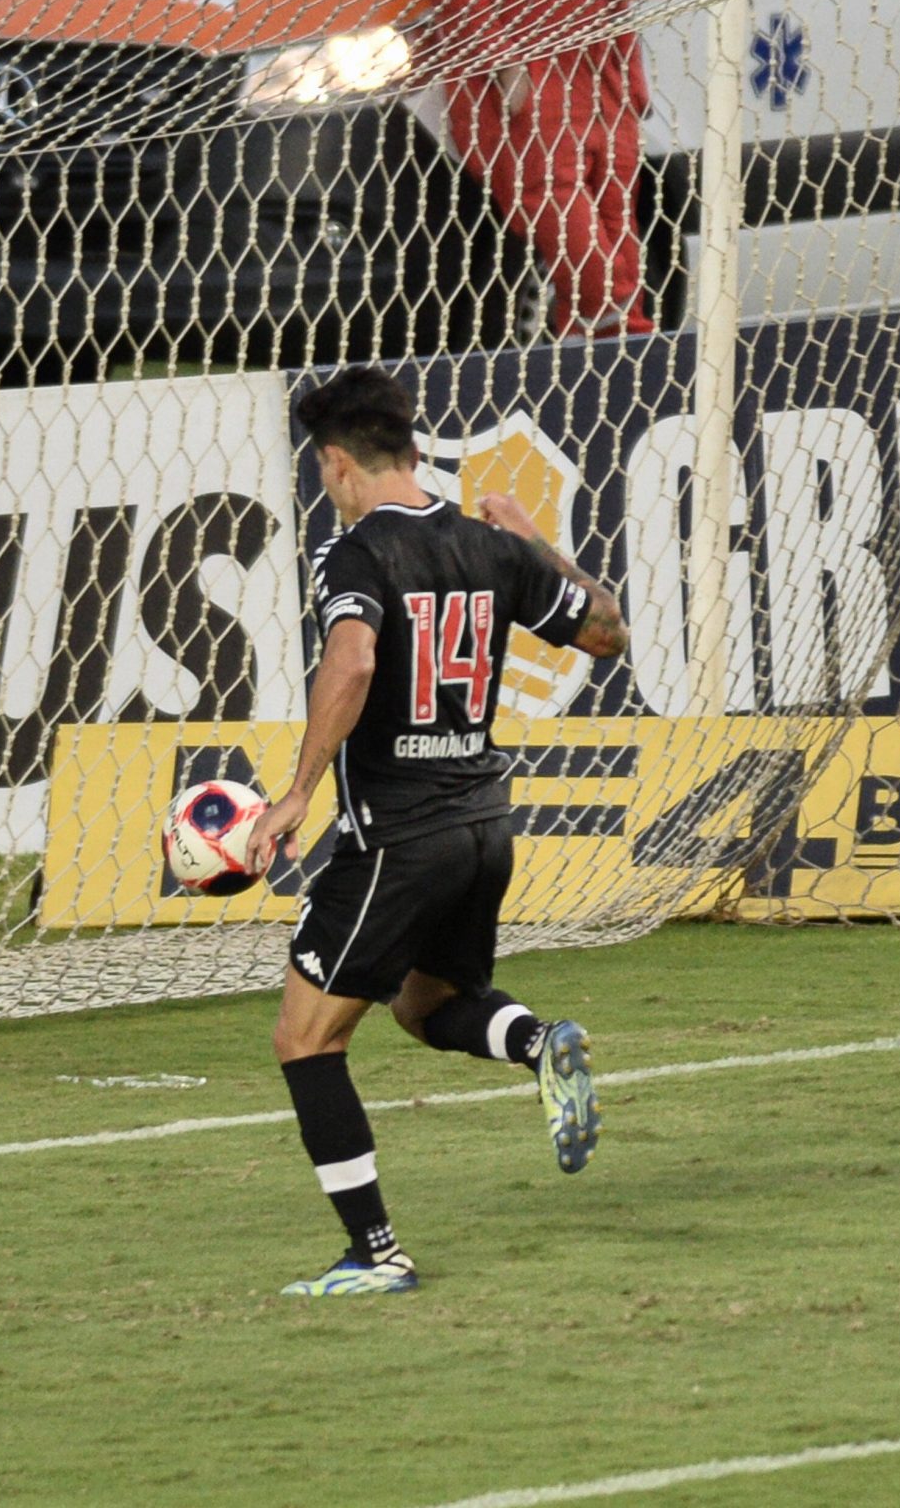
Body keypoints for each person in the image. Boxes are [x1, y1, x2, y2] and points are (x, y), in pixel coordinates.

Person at [244, 365, 630, 1296]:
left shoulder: (357, 552)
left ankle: (375, 1254)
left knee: (306, 1041)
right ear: (414, 450)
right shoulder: (487, 546)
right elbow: (606, 632)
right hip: (482, 827)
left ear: (337, 464)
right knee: (422, 1004)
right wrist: (543, 548)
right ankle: (541, 1044)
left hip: (400, 838)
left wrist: (297, 794)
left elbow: (354, 657)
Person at [420, 0, 656, 339]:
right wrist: (504, 63)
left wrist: (630, 74)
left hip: (599, 66)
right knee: (557, 205)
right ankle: (607, 330)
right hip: (533, 65)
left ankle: (614, 341)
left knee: (618, 210)